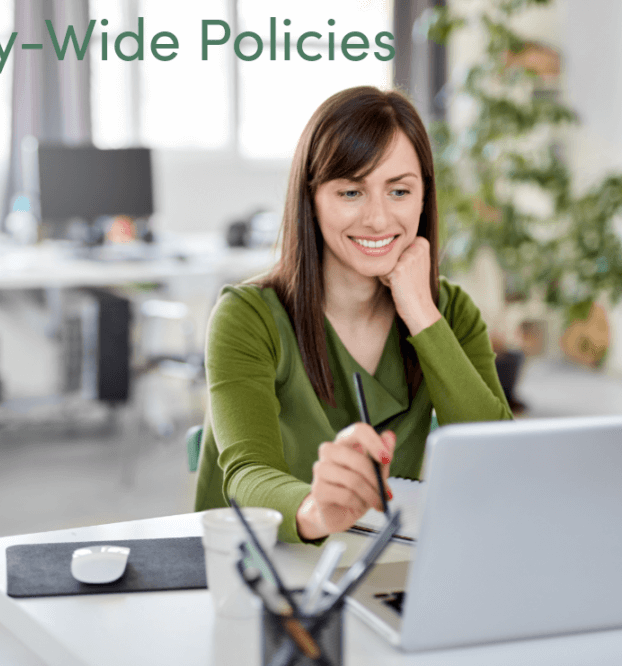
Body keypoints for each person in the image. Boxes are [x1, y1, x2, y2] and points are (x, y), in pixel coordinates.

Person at [194, 86, 512, 543]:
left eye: (399, 190)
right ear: (313, 198)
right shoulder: (247, 317)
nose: (379, 220)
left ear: (424, 197)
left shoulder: (451, 313)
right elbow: (247, 476)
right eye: (351, 192)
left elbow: (498, 460)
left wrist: (421, 313)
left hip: (376, 562)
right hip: (258, 563)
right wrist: (317, 510)